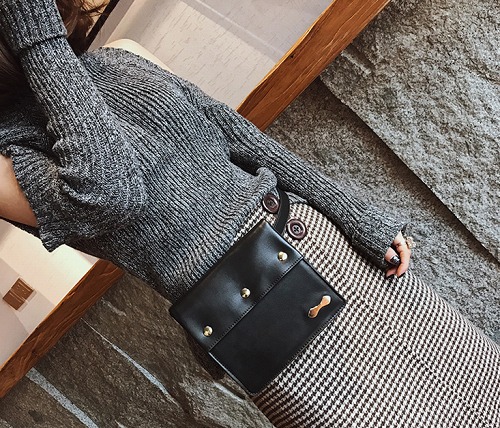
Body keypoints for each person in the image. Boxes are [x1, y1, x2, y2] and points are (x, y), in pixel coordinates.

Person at [0, 1, 497, 427]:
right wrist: (40, 44)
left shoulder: (116, 58)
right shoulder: (6, 153)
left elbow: (246, 141)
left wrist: (357, 215)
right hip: (270, 325)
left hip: (331, 252)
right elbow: (110, 191)